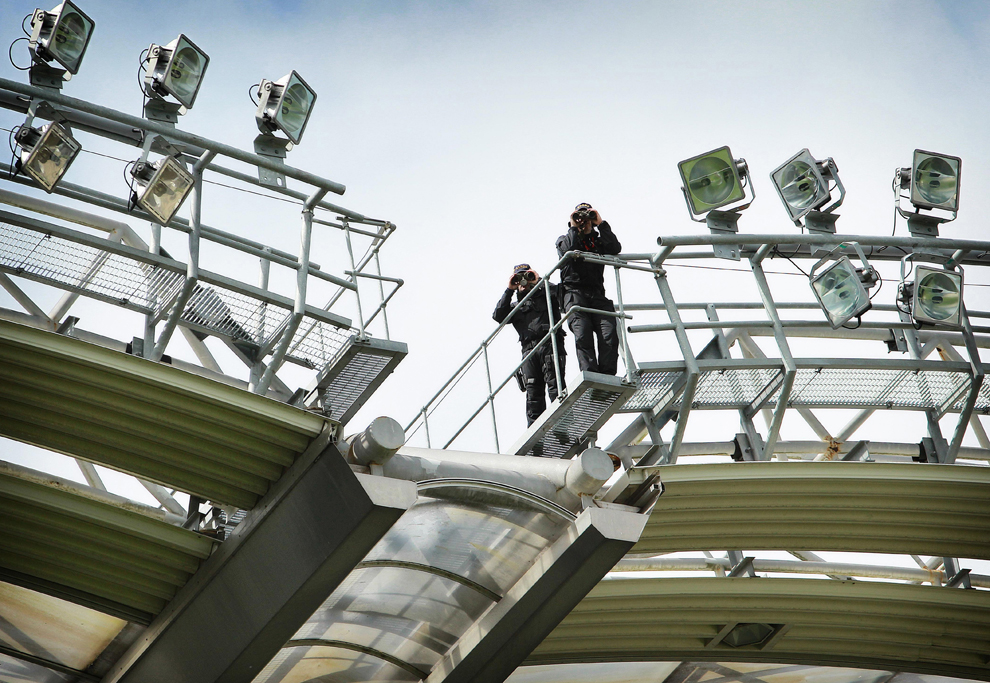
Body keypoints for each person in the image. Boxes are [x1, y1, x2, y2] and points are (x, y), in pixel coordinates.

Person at [493, 263, 566, 426]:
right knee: (533, 395)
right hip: (529, 351)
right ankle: (536, 435)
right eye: (519, 278)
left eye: (527, 276)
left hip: (550, 343)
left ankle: (563, 427)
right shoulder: (516, 307)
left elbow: (561, 293)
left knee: (556, 388)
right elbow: (498, 315)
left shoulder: (547, 295)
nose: (523, 281)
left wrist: (539, 280)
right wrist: (509, 289)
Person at [556, 202, 621, 375]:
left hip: (597, 294)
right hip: (574, 293)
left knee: (609, 333)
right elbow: (567, 250)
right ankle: (591, 375)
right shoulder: (564, 239)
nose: (584, 220)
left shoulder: (598, 242)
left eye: (587, 217)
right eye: (580, 217)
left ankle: (607, 375)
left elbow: (615, 248)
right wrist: (573, 226)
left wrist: (601, 223)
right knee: (583, 333)